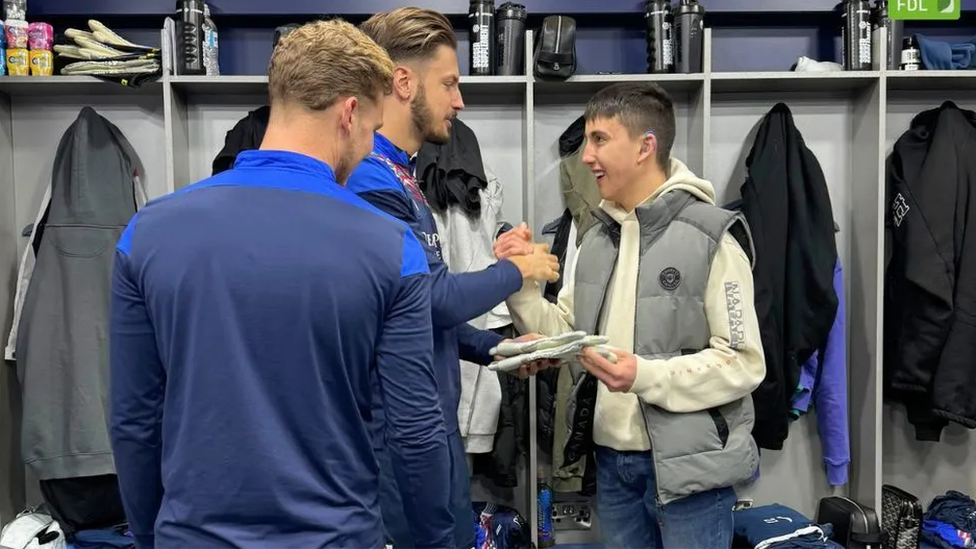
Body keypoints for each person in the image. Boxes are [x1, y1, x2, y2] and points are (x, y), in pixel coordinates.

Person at [109, 20, 456, 549]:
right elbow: (414, 429)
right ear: (349, 114)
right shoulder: (391, 246)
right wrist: (434, 539)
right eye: (370, 131)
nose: (368, 149)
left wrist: (150, 534)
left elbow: (134, 420)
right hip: (335, 536)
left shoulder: (147, 232)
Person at [497, 82, 768, 549]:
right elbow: (571, 336)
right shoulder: (595, 238)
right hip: (612, 463)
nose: (586, 156)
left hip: (689, 470)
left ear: (646, 146)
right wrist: (519, 281)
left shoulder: (712, 236)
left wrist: (644, 375)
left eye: (600, 139)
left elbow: (744, 361)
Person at [348, 8, 560, 549]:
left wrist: (500, 351)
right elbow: (436, 298)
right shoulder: (371, 179)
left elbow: (415, 310)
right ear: (402, 82)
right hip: (396, 437)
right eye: (449, 83)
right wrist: (518, 270)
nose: (459, 101)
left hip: (427, 424)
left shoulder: (403, 175)